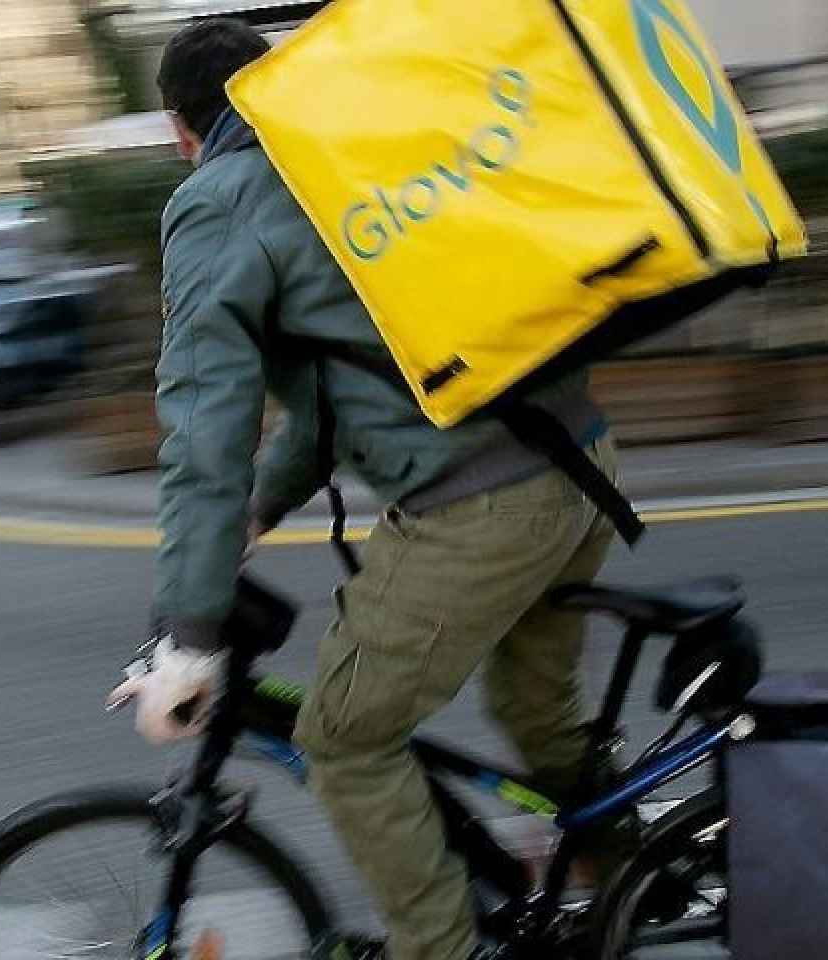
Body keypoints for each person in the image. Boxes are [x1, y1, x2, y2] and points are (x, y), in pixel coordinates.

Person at [112, 19, 620, 960]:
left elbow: (203, 431)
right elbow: (344, 388)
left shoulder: (221, 199)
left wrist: (189, 635)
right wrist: (262, 509)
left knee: (343, 742)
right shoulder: (346, 159)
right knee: (536, 711)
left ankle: (443, 949)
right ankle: (629, 882)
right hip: (577, 466)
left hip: (480, 509)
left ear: (180, 131)